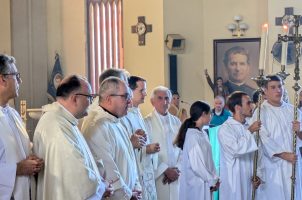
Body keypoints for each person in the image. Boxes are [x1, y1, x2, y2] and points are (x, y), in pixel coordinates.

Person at [34, 75, 111, 200]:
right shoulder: (55, 125)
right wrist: (101, 187)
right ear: (75, 99)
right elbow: (76, 175)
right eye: (89, 97)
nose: (91, 102)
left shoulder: (65, 121)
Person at [82, 77, 142, 200]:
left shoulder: (117, 121)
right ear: (109, 99)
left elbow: (130, 159)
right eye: (125, 97)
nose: (129, 102)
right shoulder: (97, 126)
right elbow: (108, 171)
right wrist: (128, 195)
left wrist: (136, 187)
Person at [250, 75, 302, 200]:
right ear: (265, 91)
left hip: (293, 163)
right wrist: (283, 155)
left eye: (280, 86)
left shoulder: (294, 111)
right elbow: (263, 139)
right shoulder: (260, 112)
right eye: (273, 87)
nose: (278, 90)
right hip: (272, 166)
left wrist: (299, 131)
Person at [0, 54, 44, 200]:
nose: (20, 80)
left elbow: (18, 149)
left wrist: (30, 158)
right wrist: (17, 169)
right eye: (16, 76)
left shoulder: (13, 114)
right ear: (3, 79)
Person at [120, 76, 160, 200]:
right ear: (130, 91)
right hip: (137, 173)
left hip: (147, 170)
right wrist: (146, 149)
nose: (145, 94)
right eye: (141, 90)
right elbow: (124, 147)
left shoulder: (137, 112)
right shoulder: (123, 116)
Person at [218, 91, 262, 200]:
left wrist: (258, 175)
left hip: (250, 181)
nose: (252, 106)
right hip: (234, 181)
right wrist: (250, 131)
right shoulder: (225, 129)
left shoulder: (248, 126)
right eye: (248, 103)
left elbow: (257, 153)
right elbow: (236, 150)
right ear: (238, 107)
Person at [174, 101, 219, 200]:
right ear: (203, 114)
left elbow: (209, 160)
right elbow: (197, 164)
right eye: (209, 114)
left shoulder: (201, 133)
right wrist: (212, 180)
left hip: (205, 182)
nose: (211, 116)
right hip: (196, 184)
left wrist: (214, 178)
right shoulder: (192, 136)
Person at [144, 86, 181, 200]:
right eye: (160, 98)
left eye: (166, 98)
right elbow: (145, 151)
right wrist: (165, 169)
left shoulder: (177, 121)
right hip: (159, 176)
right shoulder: (146, 122)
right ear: (152, 101)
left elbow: (183, 148)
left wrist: (177, 169)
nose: (164, 102)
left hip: (176, 175)